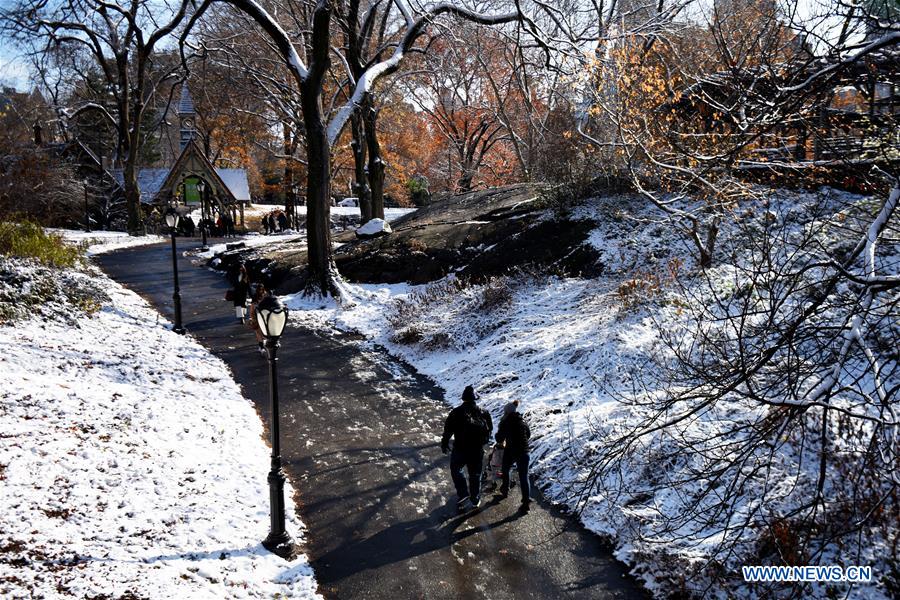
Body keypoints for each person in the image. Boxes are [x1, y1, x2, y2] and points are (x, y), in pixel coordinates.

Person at [441, 385, 493, 510]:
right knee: (475, 474)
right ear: (475, 398)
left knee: (456, 469)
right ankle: (475, 499)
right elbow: (490, 429)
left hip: (460, 448)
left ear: (463, 398)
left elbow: (448, 429)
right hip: (476, 450)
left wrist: (445, 442)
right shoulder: (483, 412)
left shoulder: (456, 412)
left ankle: (463, 494)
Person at [495, 400, 532, 512]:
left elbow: (499, 439)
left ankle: (505, 489)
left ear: (506, 412)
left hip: (511, 451)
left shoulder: (506, 422)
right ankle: (526, 504)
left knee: (505, 469)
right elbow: (528, 435)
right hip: (524, 452)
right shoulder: (522, 421)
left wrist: (500, 434)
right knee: (524, 477)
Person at [248, 283, 269, 355]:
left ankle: (263, 344)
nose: (260, 291)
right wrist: (252, 317)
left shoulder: (266, 295)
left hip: (264, 316)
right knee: (258, 332)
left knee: (263, 332)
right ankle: (261, 346)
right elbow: (252, 307)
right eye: (259, 289)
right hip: (257, 317)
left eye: (261, 289)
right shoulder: (255, 296)